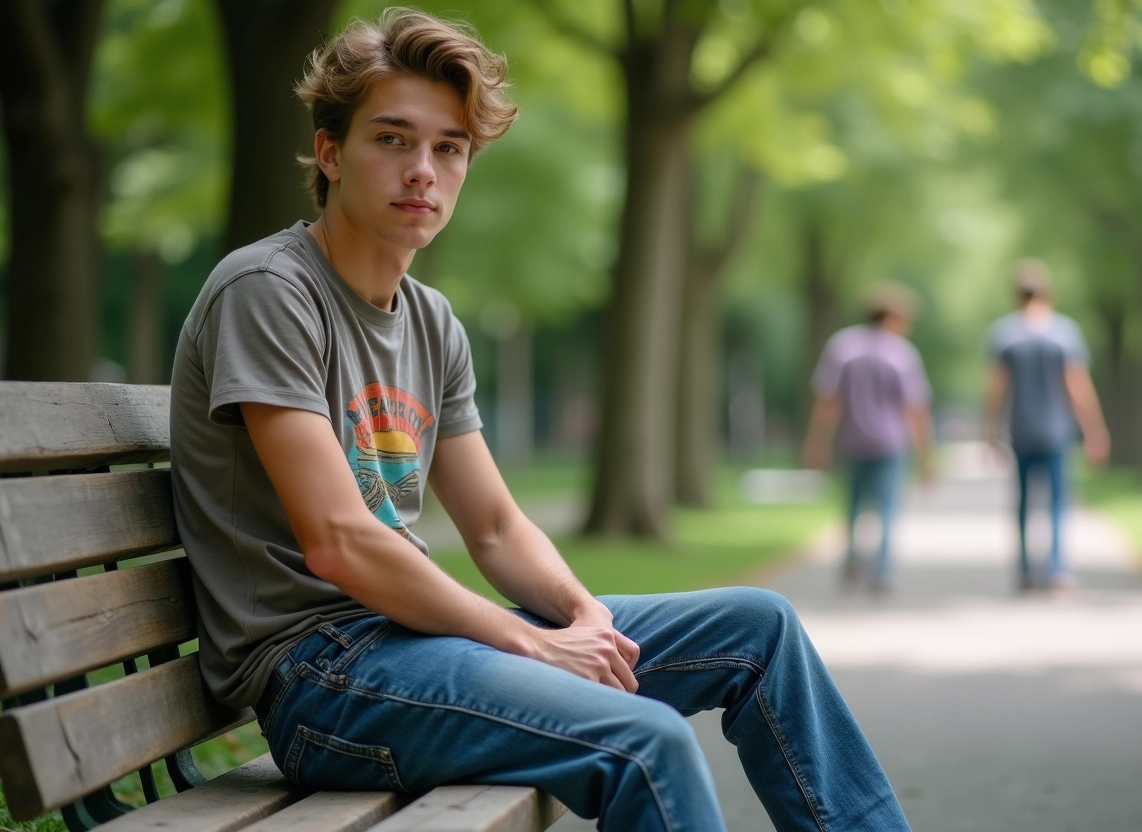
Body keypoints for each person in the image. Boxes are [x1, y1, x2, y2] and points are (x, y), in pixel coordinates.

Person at [168, 9, 910, 831]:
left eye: (448, 148)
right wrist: (532, 644)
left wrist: (579, 613)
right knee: (646, 742)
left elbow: (492, 527)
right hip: (321, 679)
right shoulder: (268, 291)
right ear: (332, 152)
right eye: (392, 139)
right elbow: (339, 539)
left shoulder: (429, 320)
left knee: (759, 628)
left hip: (415, 647)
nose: (423, 170)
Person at [983, 259, 1109, 592]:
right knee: (1056, 502)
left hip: (1021, 431)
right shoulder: (1064, 331)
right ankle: (1056, 570)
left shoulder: (1005, 333)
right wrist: (1095, 430)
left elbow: (996, 390)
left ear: (1016, 296)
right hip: (1057, 431)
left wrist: (989, 431)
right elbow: (1077, 386)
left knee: (1024, 501)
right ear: (1048, 293)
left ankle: (1025, 570)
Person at [802, 283, 934, 593]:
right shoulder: (902, 353)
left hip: (852, 441)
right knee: (887, 508)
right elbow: (915, 409)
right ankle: (882, 570)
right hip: (890, 444)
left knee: (852, 506)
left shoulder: (842, 346)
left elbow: (827, 402)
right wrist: (926, 456)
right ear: (891, 318)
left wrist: (816, 443)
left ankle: (851, 559)